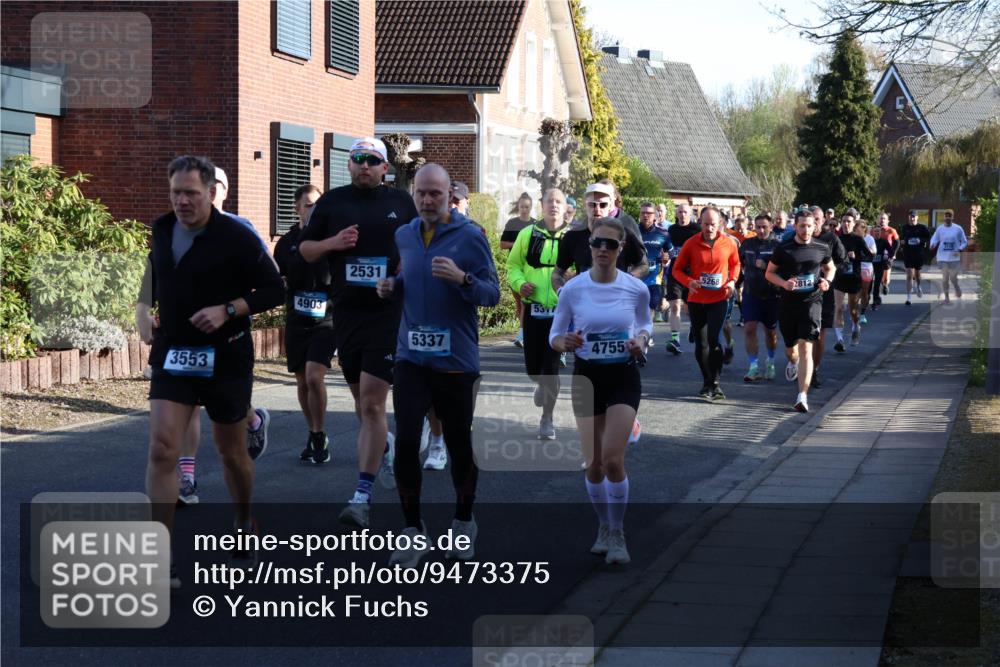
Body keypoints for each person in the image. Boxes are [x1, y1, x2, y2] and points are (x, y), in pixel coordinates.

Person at [143, 155, 284, 584]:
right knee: (162, 448)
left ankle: (243, 520)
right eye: (175, 193)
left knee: (231, 453)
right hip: (174, 354)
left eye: (190, 193)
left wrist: (229, 309)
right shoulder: (162, 228)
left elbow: (275, 289)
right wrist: (142, 310)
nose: (182, 201)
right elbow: (153, 274)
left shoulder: (237, 237)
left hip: (226, 356)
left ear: (210, 192)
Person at [377, 163, 500, 567]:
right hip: (411, 358)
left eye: (436, 194)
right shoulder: (404, 235)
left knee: (459, 444)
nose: (428, 200)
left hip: (456, 361)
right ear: (413, 194)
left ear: (450, 196)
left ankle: (464, 522)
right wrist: (392, 287)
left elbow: (492, 295)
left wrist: (463, 279)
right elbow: (410, 280)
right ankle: (413, 530)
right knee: (406, 442)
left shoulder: (470, 236)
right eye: (421, 193)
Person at [299, 137, 419, 529]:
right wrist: (334, 243)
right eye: (358, 159)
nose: (364, 165)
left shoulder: (401, 202)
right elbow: (306, 249)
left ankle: (361, 497)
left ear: (385, 167)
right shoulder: (332, 203)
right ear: (349, 164)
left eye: (372, 160)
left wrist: (404, 269)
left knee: (370, 403)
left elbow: (422, 244)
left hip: (388, 312)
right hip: (347, 314)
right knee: (361, 402)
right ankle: (383, 444)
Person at [549, 217, 651, 565]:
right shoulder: (573, 289)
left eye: (610, 244)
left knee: (612, 459)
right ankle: (604, 526)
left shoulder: (635, 289)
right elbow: (555, 334)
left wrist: (641, 341)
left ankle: (618, 533)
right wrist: (564, 342)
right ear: (589, 245)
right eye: (597, 243)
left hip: (623, 375)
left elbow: (645, 324)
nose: (603, 249)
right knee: (593, 465)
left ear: (621, 248)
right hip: (587, 377)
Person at [273, 183, 336, 464]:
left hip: (326, 319)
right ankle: (314, 433)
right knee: (301, 380)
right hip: (297, 319)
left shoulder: (330, 240)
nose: (314, 209)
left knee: (313, 376)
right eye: (309, 204)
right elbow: (277, 277)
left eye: (318, 204)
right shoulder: (286, 243)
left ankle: (319, 431)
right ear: (297, 208)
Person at [507, 188, 569, 439]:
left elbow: (584, 269)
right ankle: (541, 383)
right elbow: (513, 266)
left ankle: (547, 418)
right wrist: (520, 284)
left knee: (551, 367)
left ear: (565, 207)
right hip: (533, 310)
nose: (554, 205)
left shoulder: (572, 237)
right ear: (542, 206)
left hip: (560, 312)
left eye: (558, 201)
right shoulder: (527, 234)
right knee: (534, 368)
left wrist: (572, 279)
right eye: (549, 201)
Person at [765, 209, 836, 413]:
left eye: (809, 226)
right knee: (792, 350)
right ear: (795, 226)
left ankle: (802, 396)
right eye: (802, 225)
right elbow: (769, 273)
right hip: (788, 304)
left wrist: (827, 281)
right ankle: (793, 362)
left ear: (815, 226)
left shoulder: (821, 247)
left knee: (806, 347)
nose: (806, 230)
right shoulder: (783, 249)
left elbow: (830, 268)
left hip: (812, 302)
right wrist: (784, 284)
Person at [670, 206, 741, 400]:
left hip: (719, 298)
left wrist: (732, 281)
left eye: (713, 224)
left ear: (720, 224)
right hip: (696, 299)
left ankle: (716, 383)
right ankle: (706, 382)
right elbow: (676, 270)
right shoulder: (691, 243)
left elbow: (735, 264)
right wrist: (689, 282)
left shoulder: (728, 243)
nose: (709, 228)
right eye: (706, 224)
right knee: (701, 344)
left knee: (713, 340)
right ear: (700, 223)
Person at [739, 213, 780, 382]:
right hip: (751, 294)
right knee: (749, 329)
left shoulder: (777, 246)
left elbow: (785, 270)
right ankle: (753, 366)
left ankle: (770, 361)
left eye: (764, 227)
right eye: (758, 227)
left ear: (771, 227)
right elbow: (738, 265)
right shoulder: (747, 244)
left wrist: (766, 266)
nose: (761, 230)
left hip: (772, 295)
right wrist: (734, 284)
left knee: (770, 333)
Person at [810, 205, 846, 389]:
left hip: (824, 293)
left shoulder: (830, 239)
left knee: (819, 335)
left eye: (817, 219)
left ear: (823, 220)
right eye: (811, 218)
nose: (814, 223)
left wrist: (829, 273)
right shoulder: (796, 239)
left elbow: (843, 261)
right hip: (801, 294)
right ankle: (798, 362)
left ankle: (814, 371)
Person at [663, 203, 701, 355]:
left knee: (690, 308)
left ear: (690, 213)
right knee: (675, 307)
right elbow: (665, 248)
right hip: (675, 272)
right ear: (676, 214)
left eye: (685, 212)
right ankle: (675, 340)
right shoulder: (671, 230)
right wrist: (665, 255)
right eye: (680, 212)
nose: (682, 214)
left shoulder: (696, 229)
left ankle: (694, 327)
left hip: (692, 274)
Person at [502, 193, 536, 348]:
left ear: (531, 207)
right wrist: (519, 243)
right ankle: (523, 331)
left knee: (525, 303)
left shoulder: (536, 224)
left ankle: (523, 335)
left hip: (530, 269)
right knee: (519, 303)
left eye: (527, 207)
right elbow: (502, 244)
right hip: (516, 268)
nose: (524, 209)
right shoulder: (512, 223)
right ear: (518, 207)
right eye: (522, 207)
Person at [831, 212, 869, 350]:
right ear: (841, 223)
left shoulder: (858, 239)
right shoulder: (836, 239)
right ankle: (840, 340)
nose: (846, 224)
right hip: (840, 278)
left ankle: (855, 325)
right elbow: (829, 257)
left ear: (853, 224)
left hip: (854, 279)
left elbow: (869, 256)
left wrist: (856, 256)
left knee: (853, 310)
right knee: (839, 307)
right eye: (844, 221)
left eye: (849, 221)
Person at [638, 202, 672, 345]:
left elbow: (670, 252)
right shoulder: (633, 232)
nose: (646, 216)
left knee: (650, 307)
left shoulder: (663, 234)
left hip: (654, 278)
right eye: (643, 213)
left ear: (655, 216)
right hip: (636, 277)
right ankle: (643, 332)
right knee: (638, 309)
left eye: (649, 213)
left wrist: (667, 258)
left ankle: (646, 333)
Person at [929, 211, 968, 304]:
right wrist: (932, 244)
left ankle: (956, 286)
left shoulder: (958, 229)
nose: (947, 218)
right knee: (945, 278)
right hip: (942, 257)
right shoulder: (940, 229)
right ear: (944, 217)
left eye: (949, 216)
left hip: (954, 258)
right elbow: (934, 239)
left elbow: (964, 242)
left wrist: (959, 249)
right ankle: (947, 298)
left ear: (952, 218)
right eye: (946, 216)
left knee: (953, 278)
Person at [900, 210, 931, 306]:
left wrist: (920, 240)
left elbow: (929, 238)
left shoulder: (922, 228)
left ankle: (918, 285)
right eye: (910, 216)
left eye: (913, 216)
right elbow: (901, 239)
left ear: (917, 217)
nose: (912, 218)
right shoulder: (905, 227)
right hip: (908, 254)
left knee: (917, 275)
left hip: (918, 254)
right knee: (909, 275)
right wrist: (902, 242)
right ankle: (909, 298)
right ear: (908, 217)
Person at [875, 212, 899, 295]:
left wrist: (893, 253)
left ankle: (884, 284)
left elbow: (897, 242)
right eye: (880, 218)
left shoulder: (891, 230)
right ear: (877, 220)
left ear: (888, 221)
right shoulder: (873, 230)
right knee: (878, 275)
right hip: (877, 256)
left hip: (887, 256)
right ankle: (877, 292)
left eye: (884, 218)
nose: (882, 220)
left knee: (886, 277)